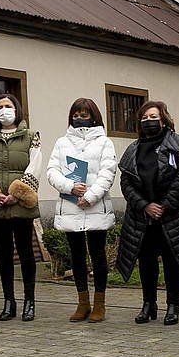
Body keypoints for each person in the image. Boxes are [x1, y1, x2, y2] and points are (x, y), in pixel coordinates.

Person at [116, 101, 179, 325]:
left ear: (164, 119)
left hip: (173, 214)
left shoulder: (178, 144)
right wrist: (144, 206)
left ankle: (173, 305)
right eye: (145, 118)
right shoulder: (133, 149)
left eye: (153, 117)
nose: (149, 121)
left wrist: (165, 205)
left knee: (172, 261)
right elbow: (126, 182)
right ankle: (148, 304)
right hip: (143, 216)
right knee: (146, 261)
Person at [47, 98, 118, 323]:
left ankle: (100, 304)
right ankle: (82, 303)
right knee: (76, 256)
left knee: (97, 255)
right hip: (70, 206)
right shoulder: (61, 142)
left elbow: (108, 172)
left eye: (84, 114)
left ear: (94, 116)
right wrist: (70, 187)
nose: (79, 118)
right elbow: (52, 171)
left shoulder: (105, 142)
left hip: (95, 205)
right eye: (76, 114)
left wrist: (90, 196)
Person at [0, 93, 42, 322]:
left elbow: (35, 164)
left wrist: (18, 193)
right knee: (3, 255)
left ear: (17, 109)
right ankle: (9, 301)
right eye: (0, 106)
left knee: (25, 252)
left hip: (20, 204)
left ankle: (30, 301)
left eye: (8, 106)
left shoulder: (30, 136)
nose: (4, 110)